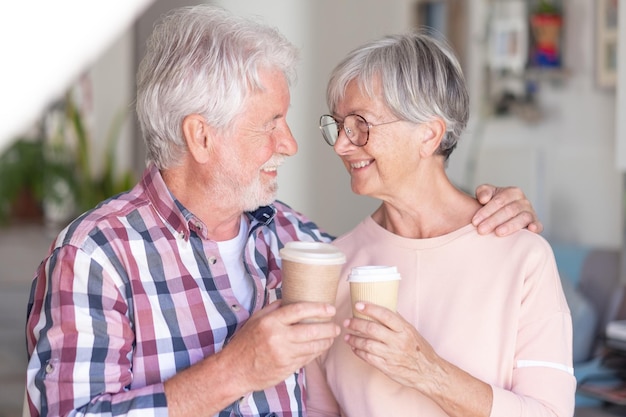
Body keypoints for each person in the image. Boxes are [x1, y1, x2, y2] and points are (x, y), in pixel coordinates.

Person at [24, 6, 542, 417]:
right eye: (270, 123)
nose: (291, 144)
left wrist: (488, 214)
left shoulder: (301, 241)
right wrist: (235, 371)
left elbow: (408, 242)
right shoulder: (95, 258)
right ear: (201, 137)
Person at [305, 32, 574, 417]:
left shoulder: (521, 257)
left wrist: (427, 371)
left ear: (428, 134)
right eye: (339, 125)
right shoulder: (332, 266)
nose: (341, 145)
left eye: (360, 125)